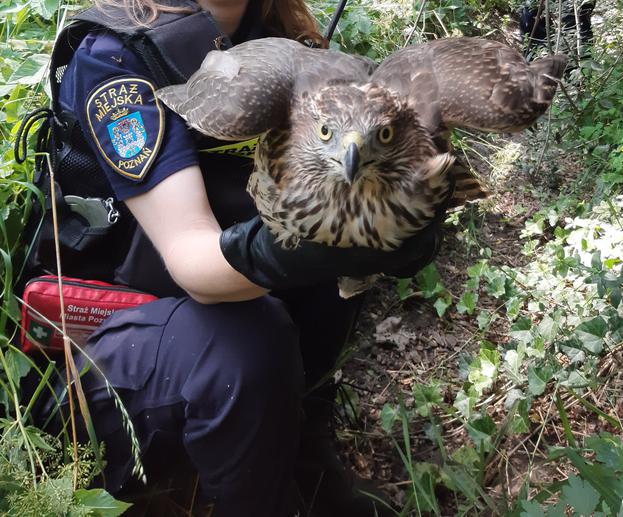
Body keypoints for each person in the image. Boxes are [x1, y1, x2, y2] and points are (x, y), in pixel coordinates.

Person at [30, 0, 446, 515]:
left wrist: (394, 220)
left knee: (340, 228)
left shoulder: (284, 46)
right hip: (109, 345)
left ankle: (303, 456)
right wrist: (311, 247)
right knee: (245, 337)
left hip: (214, 321)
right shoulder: (116, 58)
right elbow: (191, 260)